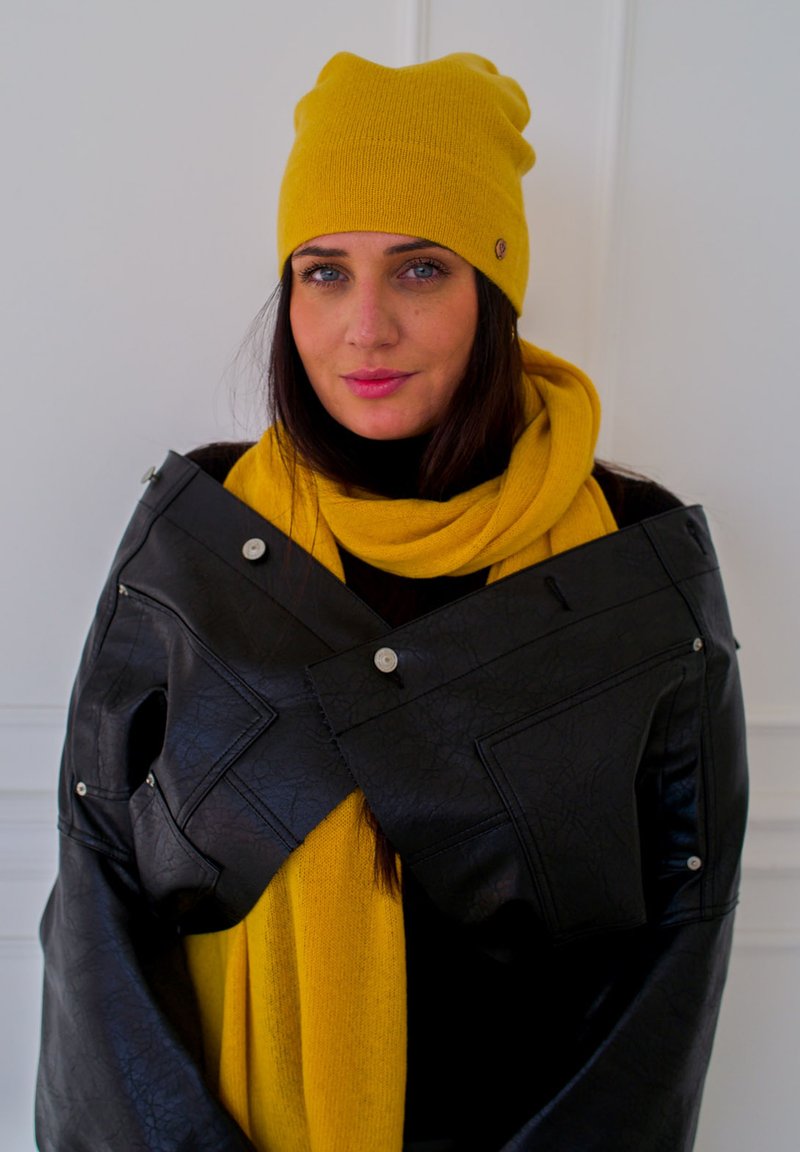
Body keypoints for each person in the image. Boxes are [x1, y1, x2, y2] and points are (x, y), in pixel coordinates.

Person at [35, 52, 747, 1152]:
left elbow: (680, 928)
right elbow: (99, 879)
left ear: (492, 291)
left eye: (419, 270)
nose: (364, 327)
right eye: (324, 272)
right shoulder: (201, 537)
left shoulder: (632, 553)